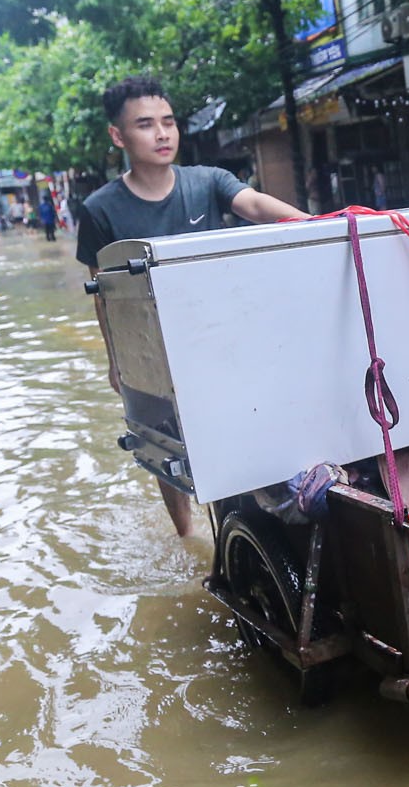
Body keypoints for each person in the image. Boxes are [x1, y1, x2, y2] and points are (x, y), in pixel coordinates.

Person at [77, 74, 308, 536]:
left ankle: (242, 523)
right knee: (166, 446)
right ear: (118, 136)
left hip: (219, 336)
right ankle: (184, 534)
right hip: (148, 348)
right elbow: (103, 294)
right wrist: (115, 361)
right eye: (145, 125)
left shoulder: (207, 182)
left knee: (237, 432)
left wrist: (324, 224)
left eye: (168, 122)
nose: (162, 134)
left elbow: (257, 206)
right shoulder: (100, 208)